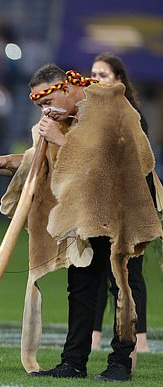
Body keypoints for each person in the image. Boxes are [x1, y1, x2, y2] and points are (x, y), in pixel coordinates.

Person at [0, 64, 160, 381]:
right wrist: (8, 161)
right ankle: (73, 362)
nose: (44, 112)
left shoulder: (110, 103)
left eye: (45, 103)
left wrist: (61, 142)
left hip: (124, 208)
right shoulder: (65, 117)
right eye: (38, 106)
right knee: (80, 286)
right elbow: (45, 156)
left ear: (64, 89)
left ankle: (120, 363)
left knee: (122, 285)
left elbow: (119, 158)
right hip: (87, 210)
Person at [90, 52, 152, 354]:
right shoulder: (89, 113)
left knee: (129, 271)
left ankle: (139, 339)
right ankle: (93, 336)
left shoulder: (131, 115)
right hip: (99, 204)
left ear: (118, 79)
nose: (95, 79)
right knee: (97, 270)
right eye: (93, 74)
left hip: (130, 205)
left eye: (102, 74)